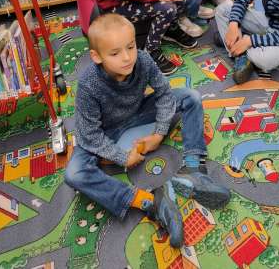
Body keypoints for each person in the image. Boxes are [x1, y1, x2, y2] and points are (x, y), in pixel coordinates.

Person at [65, 14, 230, 248]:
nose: (127, 57)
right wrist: (122, 157)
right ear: (97, 56)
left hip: (138, 112)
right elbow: (89, 134)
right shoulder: (88, 84)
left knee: (191, 97)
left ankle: (193, 169)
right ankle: (150, 202)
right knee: (74, 174)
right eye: (115, 53)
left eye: (130, 47)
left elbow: (164, 94)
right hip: (105, 131)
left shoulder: (142, 59)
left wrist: (158, 134)